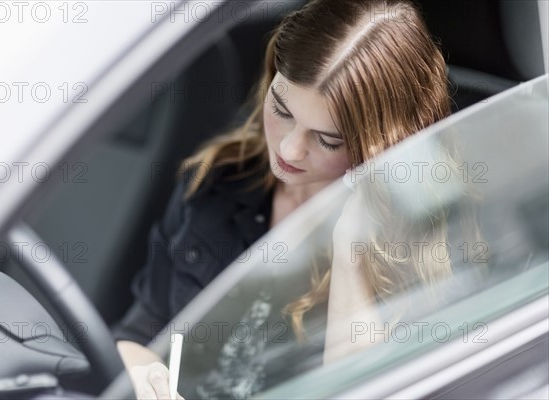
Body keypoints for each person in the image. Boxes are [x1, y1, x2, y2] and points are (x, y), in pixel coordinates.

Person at [114, 0, 451, 398]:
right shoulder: (220, 179)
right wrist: (146, 378)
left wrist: (350, 252)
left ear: (381, 145)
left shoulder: (409, 255)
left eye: (327, 139)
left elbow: (362, 389)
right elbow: (141, 331)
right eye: (281, 108)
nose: (290, 150)